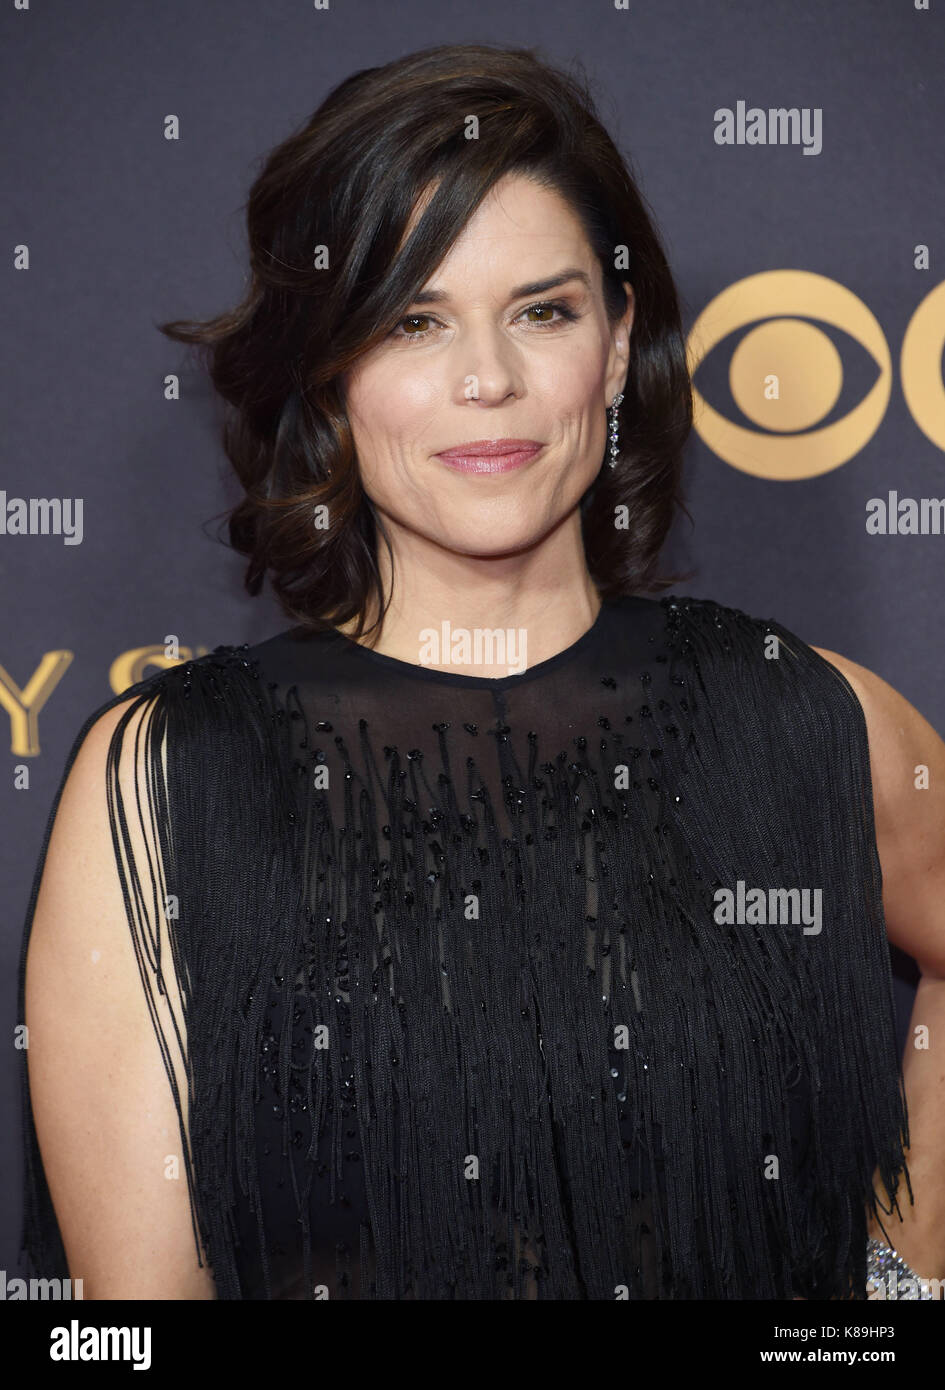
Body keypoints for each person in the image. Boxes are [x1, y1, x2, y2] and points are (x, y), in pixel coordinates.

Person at [17, 42, 945, 1300]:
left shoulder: (804, 718)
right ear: (331, 376)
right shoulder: (174, 776)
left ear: (617, 350)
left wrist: (894, 1284)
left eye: (543, 311)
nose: (488, 380)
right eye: (415, 320)